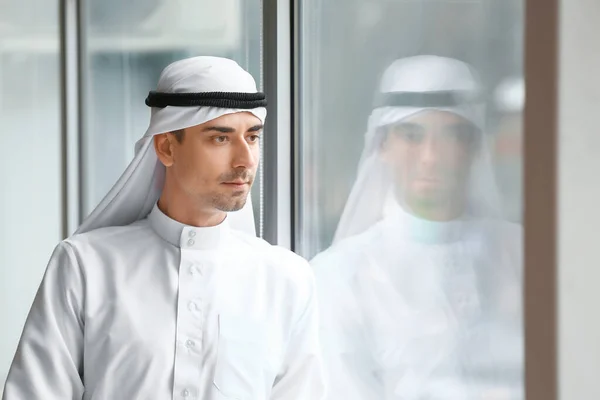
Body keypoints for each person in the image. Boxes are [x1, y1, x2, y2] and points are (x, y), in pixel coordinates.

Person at [3, 56, 325, 400]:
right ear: (167, 147)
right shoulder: (85, 266)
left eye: (252, 137)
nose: (244, 159)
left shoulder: (287, 280)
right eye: (220, 138)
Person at [311, 55, 523, 399]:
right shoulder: (338, 276)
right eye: (412, 135)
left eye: (450, 137)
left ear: (472, 147)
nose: (430, 156)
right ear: (383, 145)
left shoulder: (525, 257)